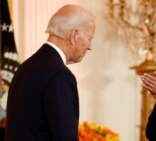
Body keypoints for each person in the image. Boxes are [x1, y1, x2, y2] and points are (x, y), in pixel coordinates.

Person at [4, 4, 95, 141]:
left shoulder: (25, 68)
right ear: (74, 35)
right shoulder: (60, 75)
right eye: (89, 38)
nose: (90, 47)